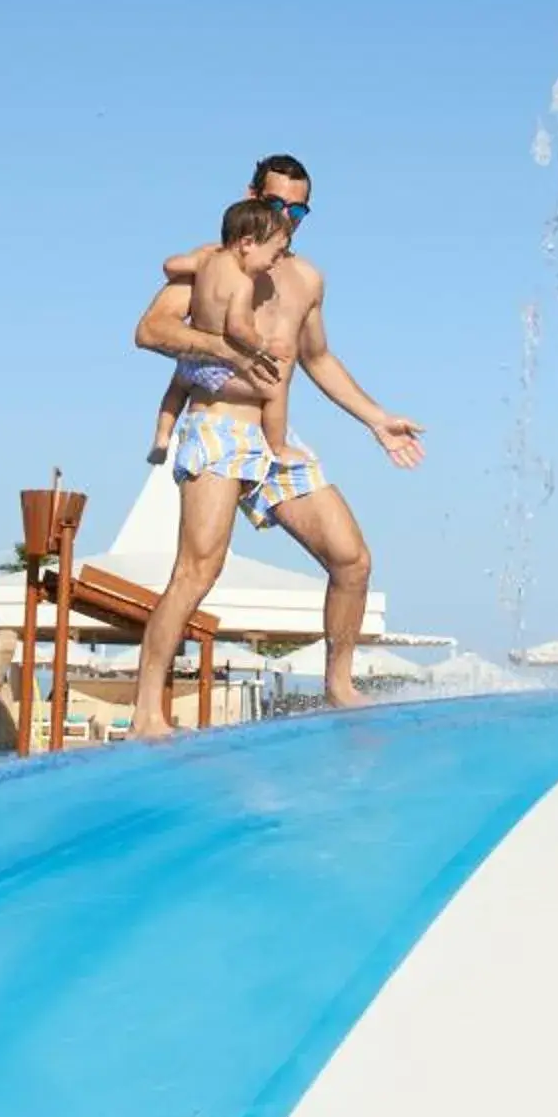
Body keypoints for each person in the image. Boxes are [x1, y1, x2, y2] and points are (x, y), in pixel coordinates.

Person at [128, 154, 423, 736]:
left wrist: (375, 418)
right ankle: (145, 714)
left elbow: (316, 359)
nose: (286, 216)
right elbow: (150, 331)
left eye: (298, 208)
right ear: (252, 197)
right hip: (217, 428)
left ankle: (339, 686)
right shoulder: (210, 265)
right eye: (276, 203)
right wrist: (224, 351)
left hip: (274, 438)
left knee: (352, 559)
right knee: (197, 570)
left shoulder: (306, 279)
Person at [149, 197, 300, 464]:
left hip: (189, 361)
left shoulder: (206, 261)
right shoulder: (243, 284)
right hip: (220, 368)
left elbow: (170, 265)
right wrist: (264, 344)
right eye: (274, 253)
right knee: (274, 389)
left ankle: (162, 437)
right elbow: (238, 328)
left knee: (176, 390)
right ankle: (278, 446)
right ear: (247, 243)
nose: (275, 262)